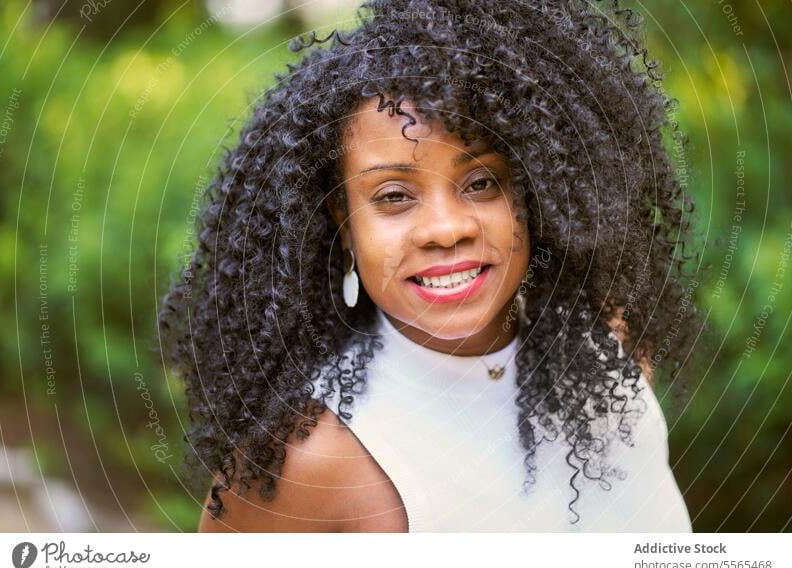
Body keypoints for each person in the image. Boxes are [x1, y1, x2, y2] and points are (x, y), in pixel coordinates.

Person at [158, 0, 702, 532]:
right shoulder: (308, 463)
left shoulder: (606, 347)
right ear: (343, 223)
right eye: (393, 195)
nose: (446, 228)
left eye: (482, 183)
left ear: (538, 194)